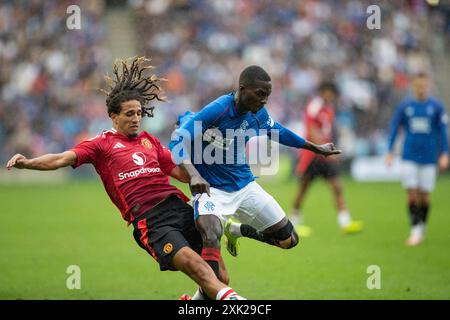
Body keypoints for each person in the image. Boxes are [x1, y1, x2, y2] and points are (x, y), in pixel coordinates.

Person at [6, 56, 243, 300]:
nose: (136, 118)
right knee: (199, 269)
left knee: (221, 278)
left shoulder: (149, 141)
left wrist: (209, 162)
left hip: (179, 208)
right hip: (152, 221)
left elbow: (182, 173)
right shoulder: (101, 145)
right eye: (129, 114)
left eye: (139, 113)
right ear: (113, 116)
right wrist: (28, 163)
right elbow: (59, 159)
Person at [169, 65, 341, 299]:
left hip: (246, 187)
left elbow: (279, 131)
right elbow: (178, 139)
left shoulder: (258, 114)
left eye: (267, 95)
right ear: (242, 89)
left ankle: (236, 229)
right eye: (260, 94)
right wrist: (194, 174)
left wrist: (316, 148)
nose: (264, 100)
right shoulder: (218, 109)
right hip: (212, 191)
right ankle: (203, 299)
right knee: (211, 234)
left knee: (288, 241)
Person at [290, 82, 363, 236]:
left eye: (332, 93)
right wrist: (322, 148)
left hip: (325, 156)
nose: (330, 95)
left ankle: (345, 222)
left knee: (337, 186)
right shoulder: (314, 106)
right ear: (322, 92)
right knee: (303, 189)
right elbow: (311, 129)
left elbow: (327, 132)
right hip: (312, 155)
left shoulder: (330, 109)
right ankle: (293, 223)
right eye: (328, 92)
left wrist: (330, 148)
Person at [385, 72, 449, 246]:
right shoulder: (405, 106)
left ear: (428, 86)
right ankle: (415, 230)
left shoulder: (436, 107)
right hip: (409, 156)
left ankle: (422, 225)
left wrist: (445, 153)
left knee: (424, 197)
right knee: (412, 194)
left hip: (429, 158)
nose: (421, 89)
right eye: (418, 85)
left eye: (424, 85)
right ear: (413, 86)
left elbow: (442, 132)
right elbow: (394, 128)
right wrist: (389, 151)